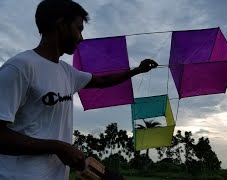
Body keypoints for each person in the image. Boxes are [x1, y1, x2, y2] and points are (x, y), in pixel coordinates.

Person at [0, 0, 158, 179]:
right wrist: (58, 147)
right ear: (61, 25)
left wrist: (137, 70)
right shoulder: (20, 68)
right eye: (79, 29)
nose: (81, 38)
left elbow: (103, 80)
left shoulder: (67, 72)